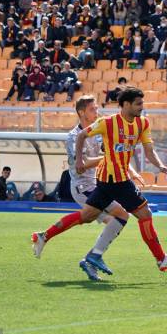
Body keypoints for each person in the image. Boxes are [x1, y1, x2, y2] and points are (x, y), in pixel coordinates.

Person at [31, 88, 167, 275]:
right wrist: (80, 159)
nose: (142, 108)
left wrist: (161, 167)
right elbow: (84, 145)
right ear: (126, 104)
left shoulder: (142, 124)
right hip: (99, 183)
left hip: (102, 181)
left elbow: (145, 151)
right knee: (143, 215)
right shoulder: (105, 124)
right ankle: (160, 259)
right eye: (138, 104)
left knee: (88, 216)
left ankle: (50, 238)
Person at [64, 95, 142, 280]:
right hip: (83, 187)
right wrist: (109, 158)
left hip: (99, 185)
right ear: (81, 112)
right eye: (92, 109)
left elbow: (111, 153)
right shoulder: (73, 137)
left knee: (116, 220)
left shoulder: (97, 132)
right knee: (120, 216)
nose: (97, 112)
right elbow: (82, 164)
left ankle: (92, 259)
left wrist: (129, 169)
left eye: (97, 108)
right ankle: (92, 256)